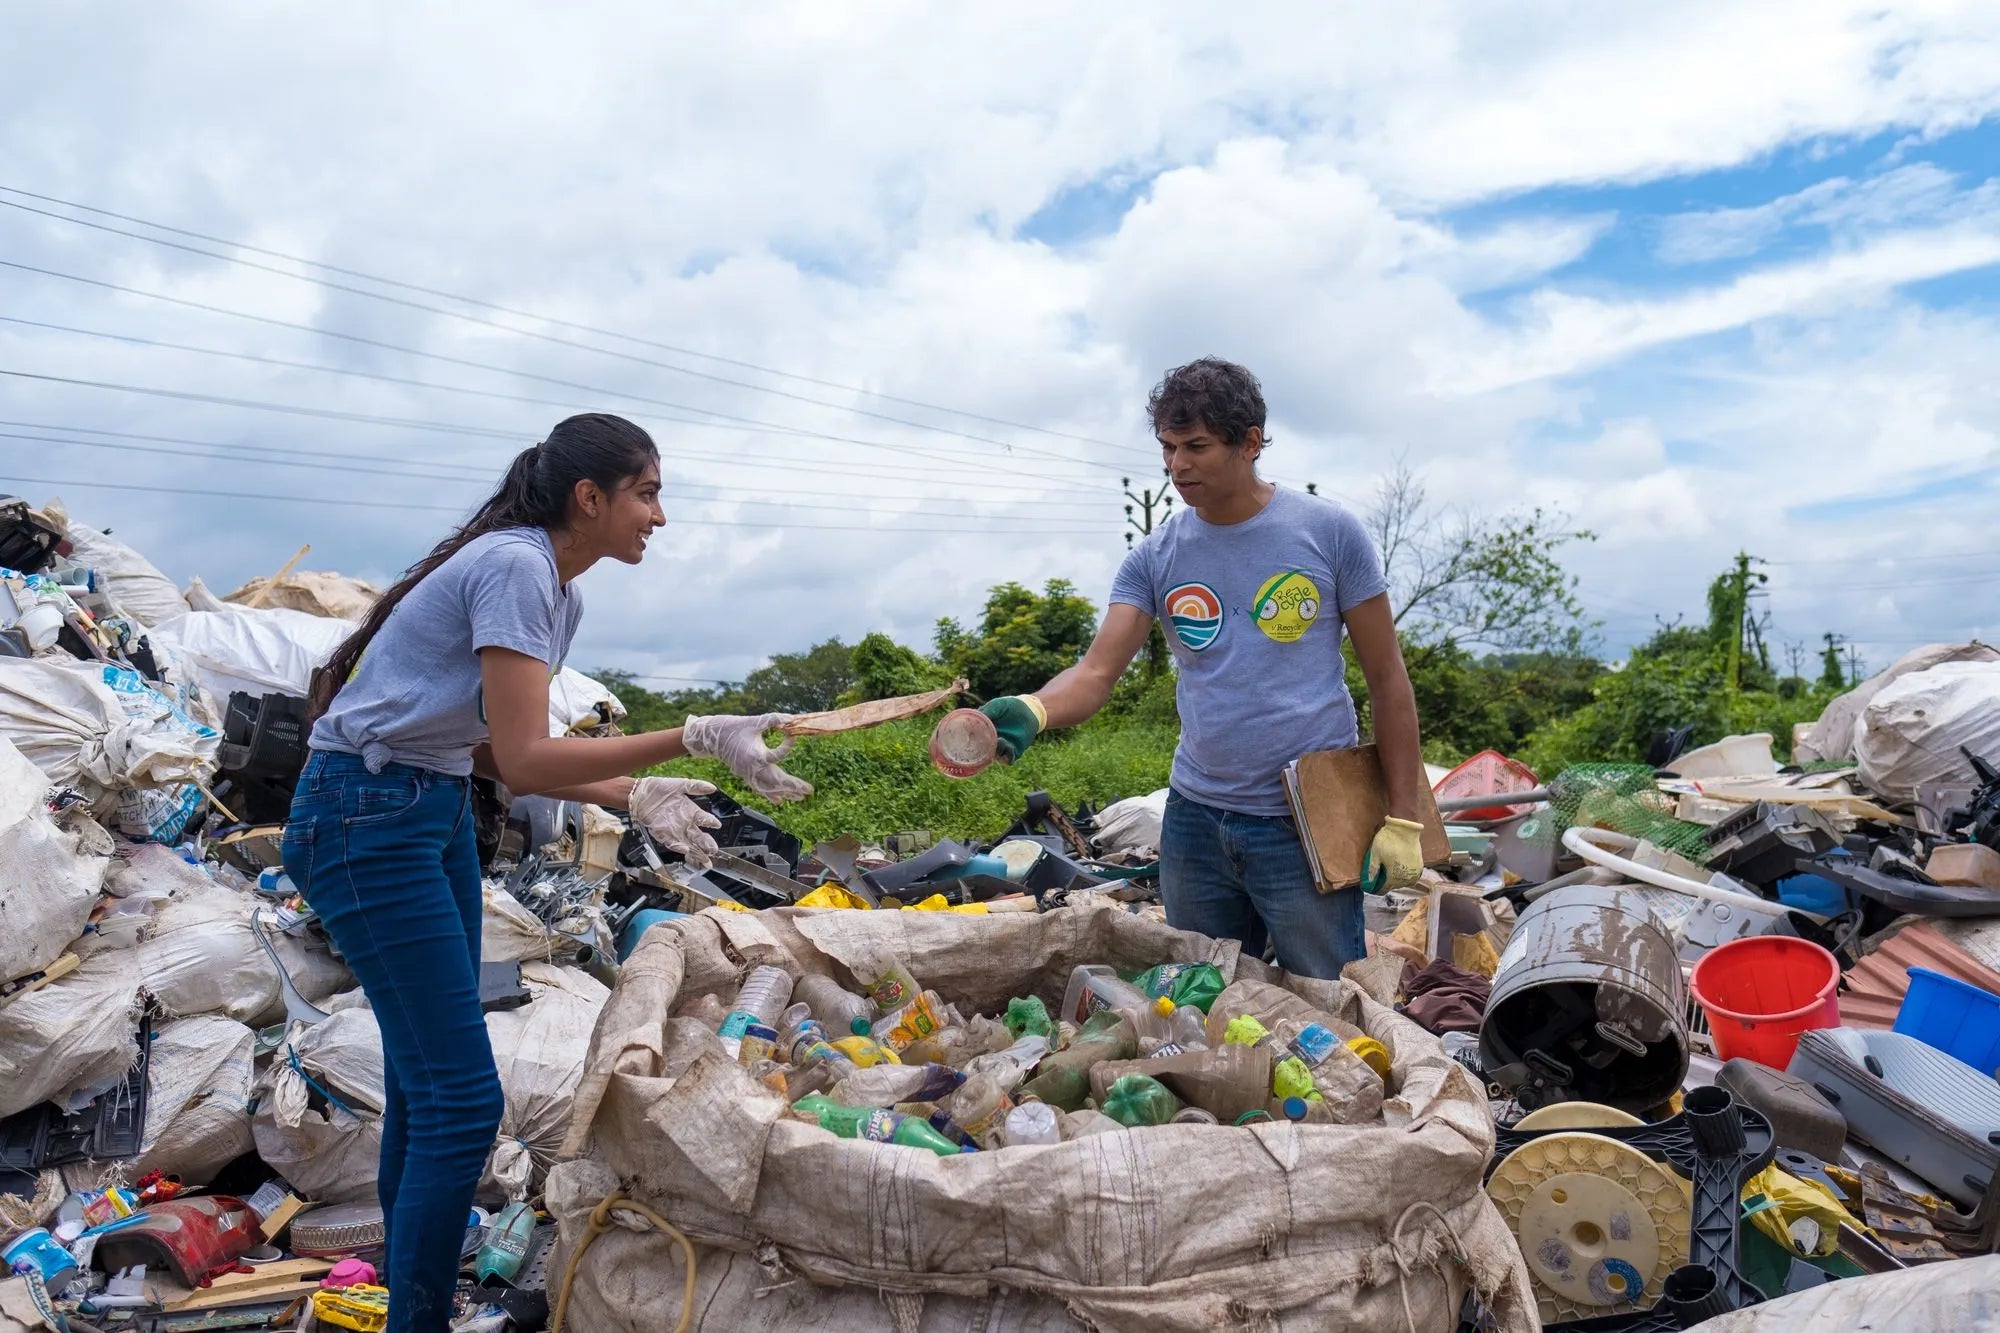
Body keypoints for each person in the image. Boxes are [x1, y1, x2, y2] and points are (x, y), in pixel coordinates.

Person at [285, 413, 809, 1331]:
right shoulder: (519, 567)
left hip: (429, 805)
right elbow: (528, 758)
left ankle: (414, 1307)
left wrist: (628, 797)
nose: (659, 515)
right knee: (462, 1098)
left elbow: (489, 748)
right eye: (647, 493)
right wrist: (688, 737)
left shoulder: (558, 593)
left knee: (425, 1084)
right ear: (589, 497)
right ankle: (418, 1318)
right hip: (366, 815)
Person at [946, 359, 1427, 979]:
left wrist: (1404, 817)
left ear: (1249, 442)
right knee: (1204, 995)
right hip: (1197, 822)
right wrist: (1034, 709)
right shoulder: (1155, 557)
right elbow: (1096, 673)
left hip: (1304, 820)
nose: (1178, 465)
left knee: (1328, 996)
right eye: (1168, 448)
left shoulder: (1329, 534)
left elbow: (1388, 681)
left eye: (1197, 446)